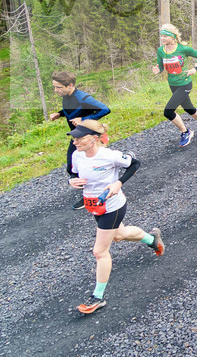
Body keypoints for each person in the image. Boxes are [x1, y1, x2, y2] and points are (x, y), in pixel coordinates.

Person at [68, 119, 163, 314]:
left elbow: (135, 163)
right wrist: (73, 182)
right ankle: (152, 239)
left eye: (79, 138)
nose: (75, 141)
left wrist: (118, 183)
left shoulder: (109, 156)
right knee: (119, 235)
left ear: (94, 139)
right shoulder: (78, 156)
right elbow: (73, 174)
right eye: (74, 138)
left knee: (100, 252)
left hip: (113, 206)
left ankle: (98, 297)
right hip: (94, 206)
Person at [50, 71, 111, 210]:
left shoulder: (83, 97)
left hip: (88, 137)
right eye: (55, 87)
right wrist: (59, 114)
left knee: (83, 167)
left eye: (58, 87)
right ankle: (93, 192)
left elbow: (105, 109)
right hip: (78, 136)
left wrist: (83, 120)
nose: (56, 90)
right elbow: (72, 109)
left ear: (70, 85)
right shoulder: (67, 95)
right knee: (73, 167)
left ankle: (91, 196)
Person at [151, 24, 197, 148]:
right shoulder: (160, 51)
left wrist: (195, 68)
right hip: (172, 84)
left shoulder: (183, 49)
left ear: (173, 37)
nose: (162, 38)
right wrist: (157, 70)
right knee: (188, 108)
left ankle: (186, 132)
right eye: (161, 36)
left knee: (168, 111)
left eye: (165, 36)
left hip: (185, 83)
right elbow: (161, 67)